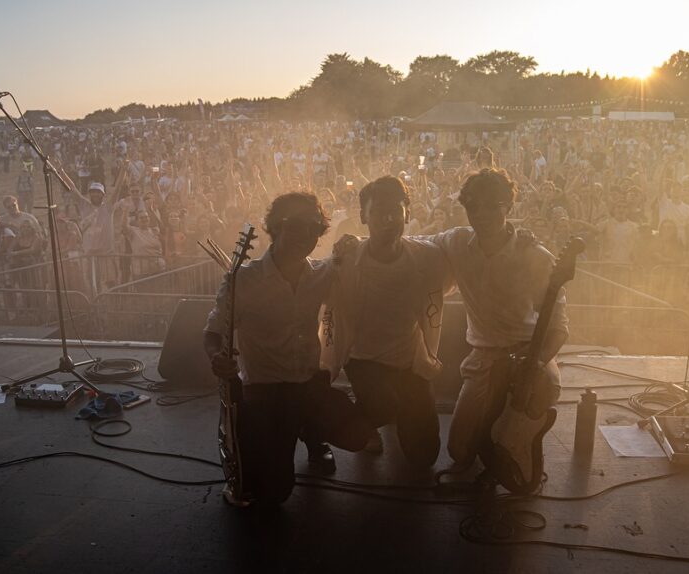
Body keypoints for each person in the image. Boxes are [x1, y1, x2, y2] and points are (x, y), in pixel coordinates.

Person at [203, 192, 370, 506]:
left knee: (358, 435)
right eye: (295, 226)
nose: (305, 236)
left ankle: (309, 432)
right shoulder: (244, 281)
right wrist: (216, 356)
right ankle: (283, 434)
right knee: (272, 493)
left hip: (308, 384)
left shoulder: (322, 273)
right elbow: (212, 332)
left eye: (312, 227)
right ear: (275, 228)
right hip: (264, 392)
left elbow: (356, 269)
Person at [428, 169, 567, 477]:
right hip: (484, 357)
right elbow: (412, 245)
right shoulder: (456, 242)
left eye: (493, 205)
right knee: (459, 452)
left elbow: (558, 327)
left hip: (528, 352)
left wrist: (535, 363)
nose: (483, 214)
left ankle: (527, 434)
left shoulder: (535, 257)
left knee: (539, 391)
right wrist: (354, 243)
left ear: (509, 207)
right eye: (473, 206)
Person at [329, 176, 450, 467]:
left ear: (407, 213)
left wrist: (518, 238)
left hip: (409, 362)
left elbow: (468, 245)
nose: (388, 220)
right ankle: (337, 420)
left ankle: (383, 409)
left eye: (396, 212)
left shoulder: (427, 257)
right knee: (382, 404)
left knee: (424, 456)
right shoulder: (346, 261)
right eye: (378, 212)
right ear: (363, 216)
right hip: (363, 360)